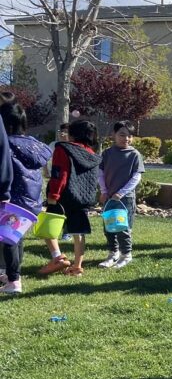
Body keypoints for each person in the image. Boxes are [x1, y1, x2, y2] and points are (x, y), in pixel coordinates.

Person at [0, 101, 51, 294]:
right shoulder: (34, 144)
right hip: (31, 200)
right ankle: (14, 274)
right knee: (15, 237)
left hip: (12, 198)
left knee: (7, 240)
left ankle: (14, 281)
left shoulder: (8, 145)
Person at [39, 119, 101, 277]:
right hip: (82, 199)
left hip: (62, 196)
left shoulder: (63, 148)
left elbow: (60, 173)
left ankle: (57, 257)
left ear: (73, 133)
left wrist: (53, 195)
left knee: (48, 228)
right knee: (78, 232)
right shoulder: (93, 155)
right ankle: (77, 267)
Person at [98, 121, 145, 270]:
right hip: (109, 197)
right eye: (122, 135)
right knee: (109, 226)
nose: (126, 138)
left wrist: (121, 192)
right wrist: (104, 191)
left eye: (130, 136)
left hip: (125, 198)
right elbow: (100, 173)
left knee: (123, 227)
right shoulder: (107, 153)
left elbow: (136, 177)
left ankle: (126, 255)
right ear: (114, 135)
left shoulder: (134, 155)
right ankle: (113, 253)